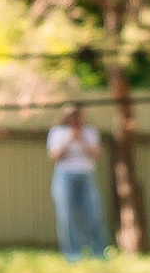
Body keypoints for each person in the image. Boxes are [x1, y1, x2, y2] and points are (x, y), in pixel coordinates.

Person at [48, 99, 112, 259]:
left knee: (93, 213)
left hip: (86, 174)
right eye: (72, 117)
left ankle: (99, 252)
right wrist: (69, 138)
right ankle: (72, 254)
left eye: (79, 116)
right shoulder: (57, 132)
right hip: (64, 175)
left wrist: (81, 139)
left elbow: (96, 154)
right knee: (66, 216)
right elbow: (54, 155)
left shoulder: (90, 132)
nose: (76, 120)